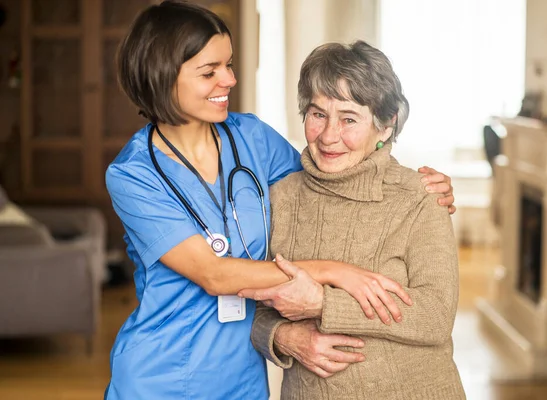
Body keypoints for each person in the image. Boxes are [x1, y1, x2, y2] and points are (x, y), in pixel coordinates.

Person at [103, 2, 456, 399]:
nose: (230, 80)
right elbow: (215, 275)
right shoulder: (134, 174)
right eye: (210, 71)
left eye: (229, 65)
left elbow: (331, 176)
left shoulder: (252, 138)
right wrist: (335, 273)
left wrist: (415, 185)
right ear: (162, 76)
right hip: (162, 374)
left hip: (242, 376)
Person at [247, 41, 466, 399]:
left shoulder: (420, 197)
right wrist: (283, 337)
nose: (330, 136)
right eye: (318, 115)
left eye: (349, 119)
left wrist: (323, 305)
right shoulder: (278, 197)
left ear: (385, 126)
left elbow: (436, 316)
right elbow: (246, 303)